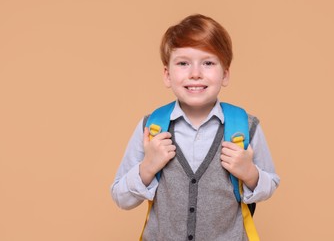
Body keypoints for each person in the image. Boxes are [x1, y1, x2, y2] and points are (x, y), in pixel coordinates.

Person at [111, 14, 280, 241]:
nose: (195, 73)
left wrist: (250, 174)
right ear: (167, 75)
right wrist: (147, 168)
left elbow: (271, 184)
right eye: (183, 63)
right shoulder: (151, 128)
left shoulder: (245, 126)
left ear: (225, 74)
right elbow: (121, 198)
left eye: (208, 63)